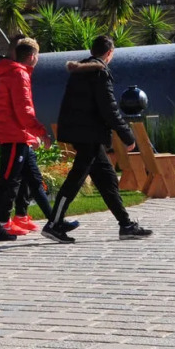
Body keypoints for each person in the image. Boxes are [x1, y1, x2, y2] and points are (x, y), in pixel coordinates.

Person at [42, 36, 152, 243]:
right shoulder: (99, 72)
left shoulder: (81, 70)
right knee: (75, 179)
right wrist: (127, 135)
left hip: (84, 134)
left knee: (107, 179)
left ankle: (126, 224)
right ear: (109, 53)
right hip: (89, 135)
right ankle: (54, 224)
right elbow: (109, 108)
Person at [0, 37, 54, 242]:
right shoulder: (18, 74)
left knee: (32, 179)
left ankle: (54, 221)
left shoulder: (8, 72)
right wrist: (40, 131)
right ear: (32, 56)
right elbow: (24, 110)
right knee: (7, 182)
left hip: (17, 135)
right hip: (15, 136)